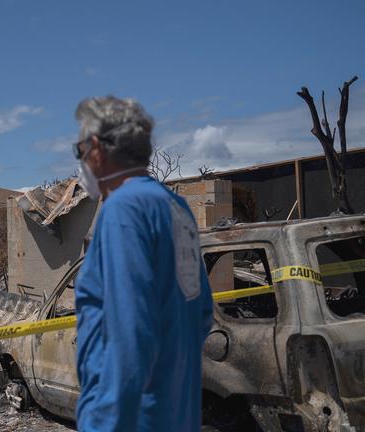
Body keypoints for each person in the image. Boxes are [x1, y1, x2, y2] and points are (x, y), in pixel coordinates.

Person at [72, 96, 213, 431]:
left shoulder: (123, 209)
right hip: (176, 414)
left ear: (96, 149)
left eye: (79, 150)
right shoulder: (176, 207)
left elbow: (130, 333)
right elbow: (203, 312)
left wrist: (104, 421)